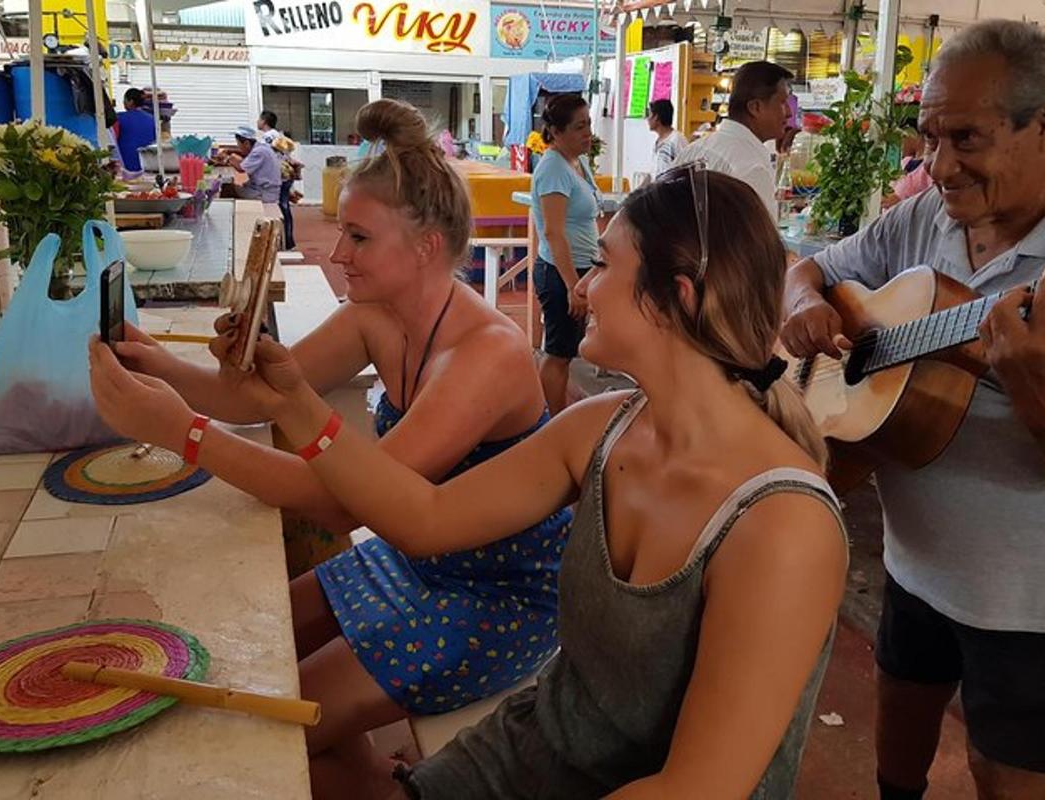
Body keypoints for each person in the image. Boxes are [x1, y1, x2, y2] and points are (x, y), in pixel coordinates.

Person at [93, 165, 847, 798]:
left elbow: (694, 791)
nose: (582, 286)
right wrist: (290, 402)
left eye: (605, 265)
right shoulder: (606, 425)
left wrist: (190, 431)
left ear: (675, 297)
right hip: (539, 750)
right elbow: (423, 518)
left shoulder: (782, 524)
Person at [87, 98, 572, 800]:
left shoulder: (488, 355)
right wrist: (156, 362)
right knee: (251, 649)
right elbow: (253, 396)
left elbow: (338, 502)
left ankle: (378, 786)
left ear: (426, 246)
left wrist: (182, 434)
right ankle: (376, 775)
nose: (338, 252)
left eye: (358, 237)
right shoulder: (376, 317)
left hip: (496, 599)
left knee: (265, 717)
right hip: (416, 559)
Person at [781, 20, 1045, 800]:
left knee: (1005, 778)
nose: (939, 165)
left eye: (966, 137)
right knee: (899, 730)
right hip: (920, 558)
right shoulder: (928, 214)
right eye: (929, 137)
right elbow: (816, 267)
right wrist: (801, 303)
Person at [531, 93, 601, 415]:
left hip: (580, 271)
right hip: (562, 274)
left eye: (588, 124)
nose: (587, 133)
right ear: (556, 132)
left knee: (566, 352)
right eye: (578, 127)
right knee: (557, 355)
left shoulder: (578, 161)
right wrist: (573, 285)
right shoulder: (553, 169)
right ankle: (553, 425)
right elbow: (553, 232)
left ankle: (556, 412)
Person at [676, 60, 791, 222]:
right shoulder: (751, 168)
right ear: (755, 107)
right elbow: (759, 245)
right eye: (782, 102)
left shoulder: (693, 150)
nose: (789, 113)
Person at [257, 109, 299, 249]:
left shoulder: (265, 138)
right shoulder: (280, 136)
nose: (257, 122)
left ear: (264, 121)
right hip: (286, 175)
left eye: (259, 119)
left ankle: (283, 242)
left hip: (276, 176)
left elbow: (262, 156)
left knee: (279, 208)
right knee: (285, 207)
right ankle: (289, 241)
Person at [228, 125, 284, 216]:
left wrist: (228, 159)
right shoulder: (261, 148)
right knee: (233, 188)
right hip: (265, 190)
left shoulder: (258, 151)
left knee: (228, 189)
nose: (238, 147)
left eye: (238, 144)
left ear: (246, 143)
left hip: (264, 193)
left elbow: (241, 169)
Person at [881, 117, 932, 210]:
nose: (899, 143)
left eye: (902, 137)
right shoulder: (905, 163)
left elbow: (933, 202)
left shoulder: (928, 168)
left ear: (914, 135)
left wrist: (902, 202)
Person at [114, 87, 156, 173]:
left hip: (127, 165)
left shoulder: (119, 118)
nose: (123, 103)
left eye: (125, 100)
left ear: (131, 102)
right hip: (148, 164)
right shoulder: (152, 119)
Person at [646, 99, 687, 176]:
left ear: (656, 117)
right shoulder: (658, 142)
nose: (647, 119)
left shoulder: (677, 139)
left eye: (649, 115)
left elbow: (685, 168)